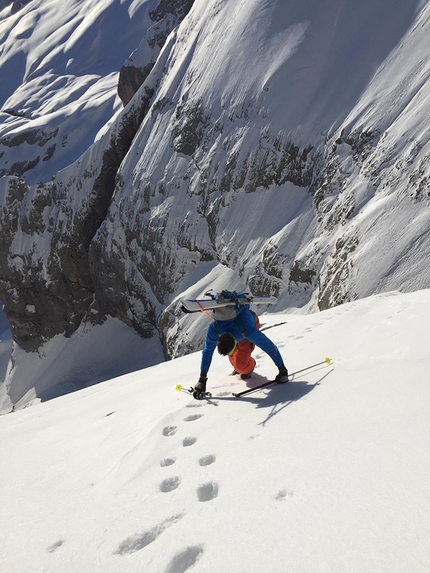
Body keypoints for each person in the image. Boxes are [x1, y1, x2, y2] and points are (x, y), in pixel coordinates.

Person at [194, 306, 288, 399]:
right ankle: (239, 364)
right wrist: (202, 379)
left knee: (241, 366)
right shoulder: (215, 329)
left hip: (250, 323)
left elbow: (269, 346)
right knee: (236, 361)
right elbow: (207, 352)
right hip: (237, 328)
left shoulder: (249, 331)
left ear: (235, 343)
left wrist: (282, 369)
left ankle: (250, 365)